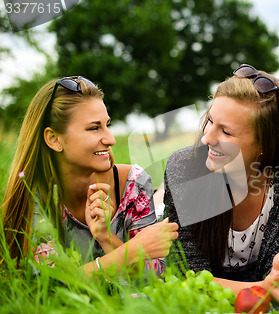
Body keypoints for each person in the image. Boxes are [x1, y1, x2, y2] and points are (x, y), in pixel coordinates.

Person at [163, 64, 279, 304]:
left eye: (226, 132)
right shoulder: (184, 169)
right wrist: (262, 288)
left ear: (265, 145)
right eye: (210, 121)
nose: (207, 138)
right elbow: (188, 276)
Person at [1, 76, 178, 278]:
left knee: (162, 199)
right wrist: (131, 250)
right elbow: (47, 282)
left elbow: (153, 278)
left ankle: (161, 192)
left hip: (149, 203)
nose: (110, 139)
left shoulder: (133, 183)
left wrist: (105, 237)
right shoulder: (33, 193)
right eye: (94, 128)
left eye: (107, 125)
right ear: (54, 139)